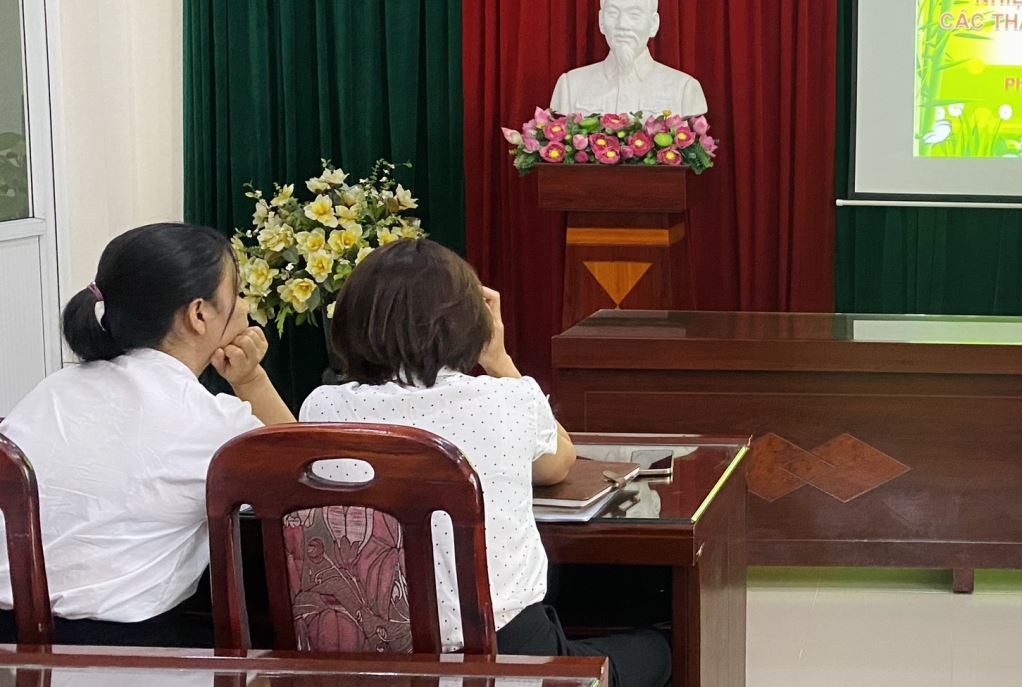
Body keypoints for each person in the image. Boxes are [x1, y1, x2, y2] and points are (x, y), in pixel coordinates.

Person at [300, 240, 671, 687]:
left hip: (361, 659)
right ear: (471, 323)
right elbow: (557, 464)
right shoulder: (507, 400)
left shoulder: (324, 407)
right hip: (503, 658)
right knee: (658, 648)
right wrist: (499, 358)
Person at [0, 222, 294, 645]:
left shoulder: (53, 390)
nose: (245, 306)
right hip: (120, 651)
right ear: (198, 314)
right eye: (238, 293)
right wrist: (251, 380)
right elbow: (307, 475)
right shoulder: (210, 423)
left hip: (12, 640)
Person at [549, 0, 707, 117]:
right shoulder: (570, 87)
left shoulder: (684, 90)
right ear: (601, 21)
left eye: (634, 14)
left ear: (653, 24)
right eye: (613, 13)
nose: (622, 24)